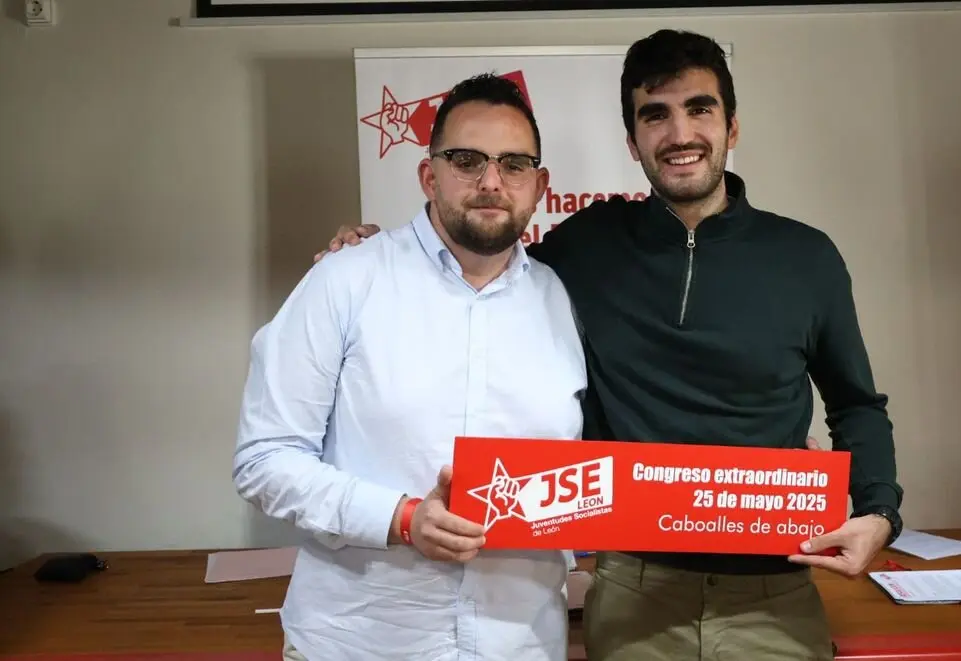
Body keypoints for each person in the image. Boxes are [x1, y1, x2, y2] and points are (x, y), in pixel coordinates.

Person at [316, 29, 903, 661]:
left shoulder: (807, 258)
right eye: (656, 115)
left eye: (699, 109)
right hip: (633, 592)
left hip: (776, 590)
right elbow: (477, 263)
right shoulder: (587, 244)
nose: (679, 134)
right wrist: (376, 249)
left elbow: (857, 404)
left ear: (731, 127)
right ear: (633, 142)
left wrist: (879, 513)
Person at [232, 73, 588, 661]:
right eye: (467, 160)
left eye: (515, 164)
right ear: (429, 174)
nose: (491, 181)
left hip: (521, 642)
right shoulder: (345, 280)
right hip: (360, 641)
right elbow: (264, 460)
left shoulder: (562, 299)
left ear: (540, 184)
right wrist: (399, 518)